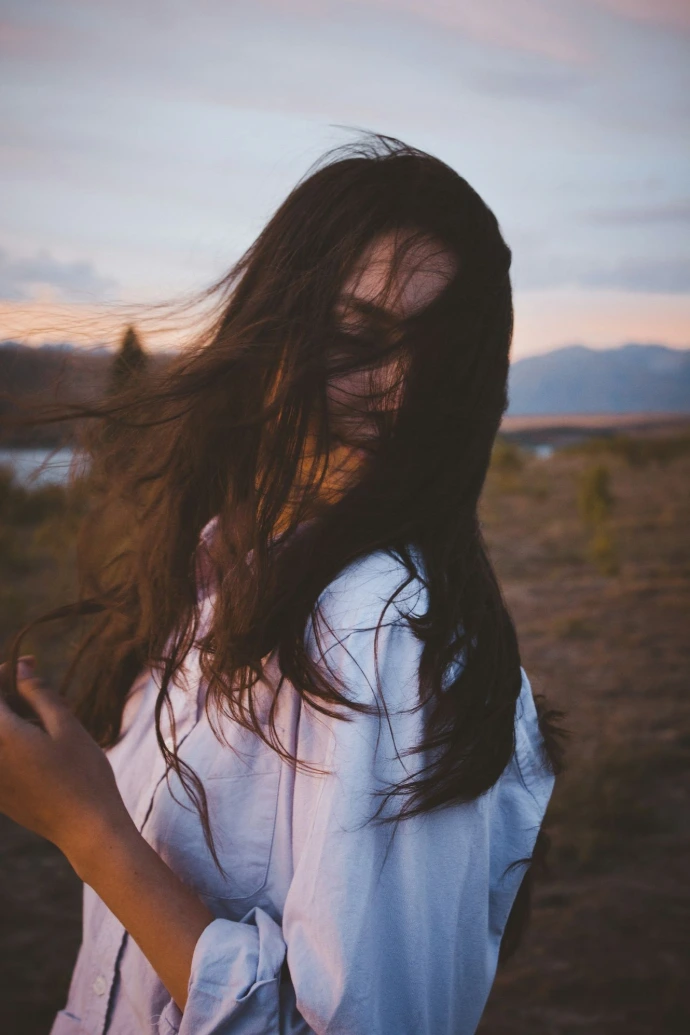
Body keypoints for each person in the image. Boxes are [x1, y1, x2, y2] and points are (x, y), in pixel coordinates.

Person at [0, 135, 559, 1035]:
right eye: (357, 337)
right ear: (269, 326)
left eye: (435, 362)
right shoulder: (218, 578)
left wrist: (88, 828)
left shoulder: (383, 631)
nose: (396, 392)